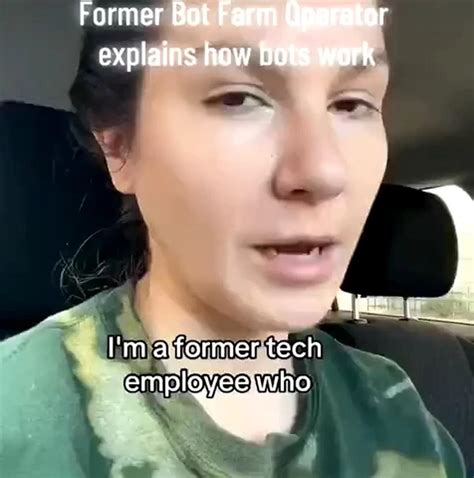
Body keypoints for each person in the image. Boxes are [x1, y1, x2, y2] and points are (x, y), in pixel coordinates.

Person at [0, 0, 466, 476]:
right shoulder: (16, 419)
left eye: (352, 104)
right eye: (237, 99)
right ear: (118, 143)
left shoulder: (402, 415)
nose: (325, 172)